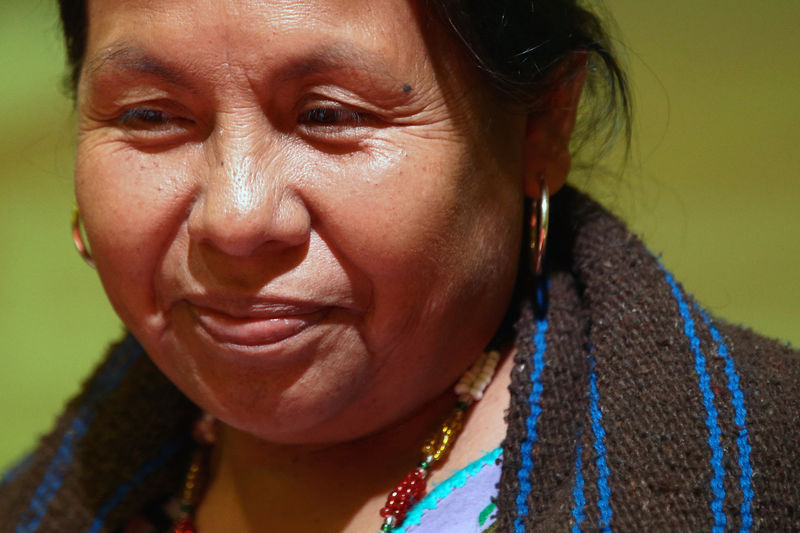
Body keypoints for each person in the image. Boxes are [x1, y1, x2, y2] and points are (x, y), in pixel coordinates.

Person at [1, 0, 798, 531]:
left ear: (542, 128)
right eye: (150, 116)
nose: (236, 218)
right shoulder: (52, 499)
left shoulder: (767, 476)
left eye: (328, 114)